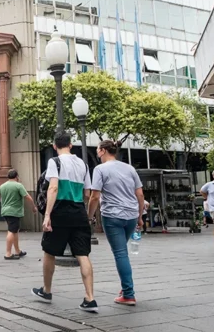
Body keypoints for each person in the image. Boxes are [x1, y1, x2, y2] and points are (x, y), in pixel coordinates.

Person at [32, 132, 98, 313]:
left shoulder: (55, 162)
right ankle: (90, 298)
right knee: (83, 254)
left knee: (49, 251)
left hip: (59, 212)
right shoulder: (83, 165)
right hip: (79, 211)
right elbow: (87, 194)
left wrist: (47, 215)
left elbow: (52, 187)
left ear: (54, 146)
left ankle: (46, 291)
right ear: (70, 145)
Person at [87, 140, 145, 306]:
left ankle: (128, 293)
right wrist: (140, 216)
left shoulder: (100, 169)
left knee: (120, 253)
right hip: (131, 216)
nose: (97, 152)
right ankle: (125, 288)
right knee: (123, 252)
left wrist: (89, 216)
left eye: (98, 150)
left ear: (103, 151)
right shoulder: (129, 168)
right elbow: (140, 194)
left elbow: (95, 196)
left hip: (112, 216)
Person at [0, 169, 35, 260]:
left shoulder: (2, 186)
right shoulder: (18, 185)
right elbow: (27, 196)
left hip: (5, 211)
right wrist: (33, 206)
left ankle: (17, 250)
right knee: (11, 231)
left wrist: (5, 203)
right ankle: (8, 253)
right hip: (14, 211)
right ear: (17, 176)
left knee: (14, 230)